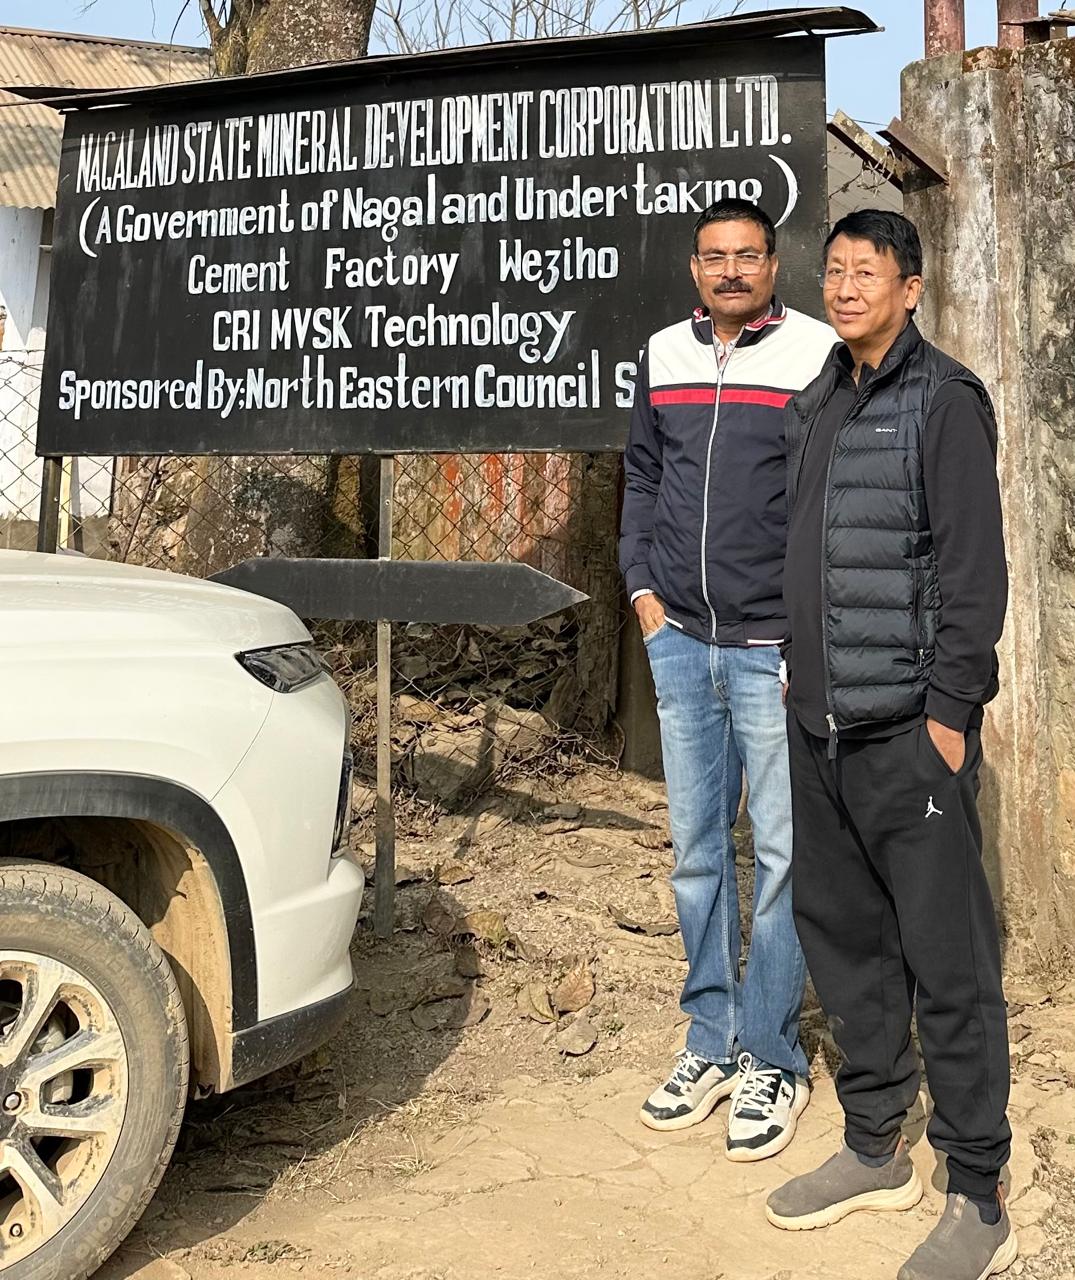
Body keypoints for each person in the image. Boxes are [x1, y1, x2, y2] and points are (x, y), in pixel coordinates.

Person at [766, 210, 1015, 1280]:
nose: (846, 286)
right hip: (819, 729)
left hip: (910, 735)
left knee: (947, 963)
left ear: (910, 288)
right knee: (847, 949)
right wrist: (796, 674)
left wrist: (949, 717)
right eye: (834, 270)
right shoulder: (818, 397)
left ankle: (977, 1191)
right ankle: (875, 1146)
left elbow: (972, 574)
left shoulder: (943, 400)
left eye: (867, 272)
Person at [619, 197, 836, 1160]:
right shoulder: (663, 352)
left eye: (748, 256)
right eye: (715, 257)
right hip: (679, 641)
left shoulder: (815, 354)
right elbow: (641, 475)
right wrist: (640, 589)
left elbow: (829, 498)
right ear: (694, 269)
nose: (731, 271)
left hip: (770, 649)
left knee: (783, 856)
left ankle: (773, 1058)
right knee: (698, 853)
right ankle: (709, 1040)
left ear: (773, 266)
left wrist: (802, 634)